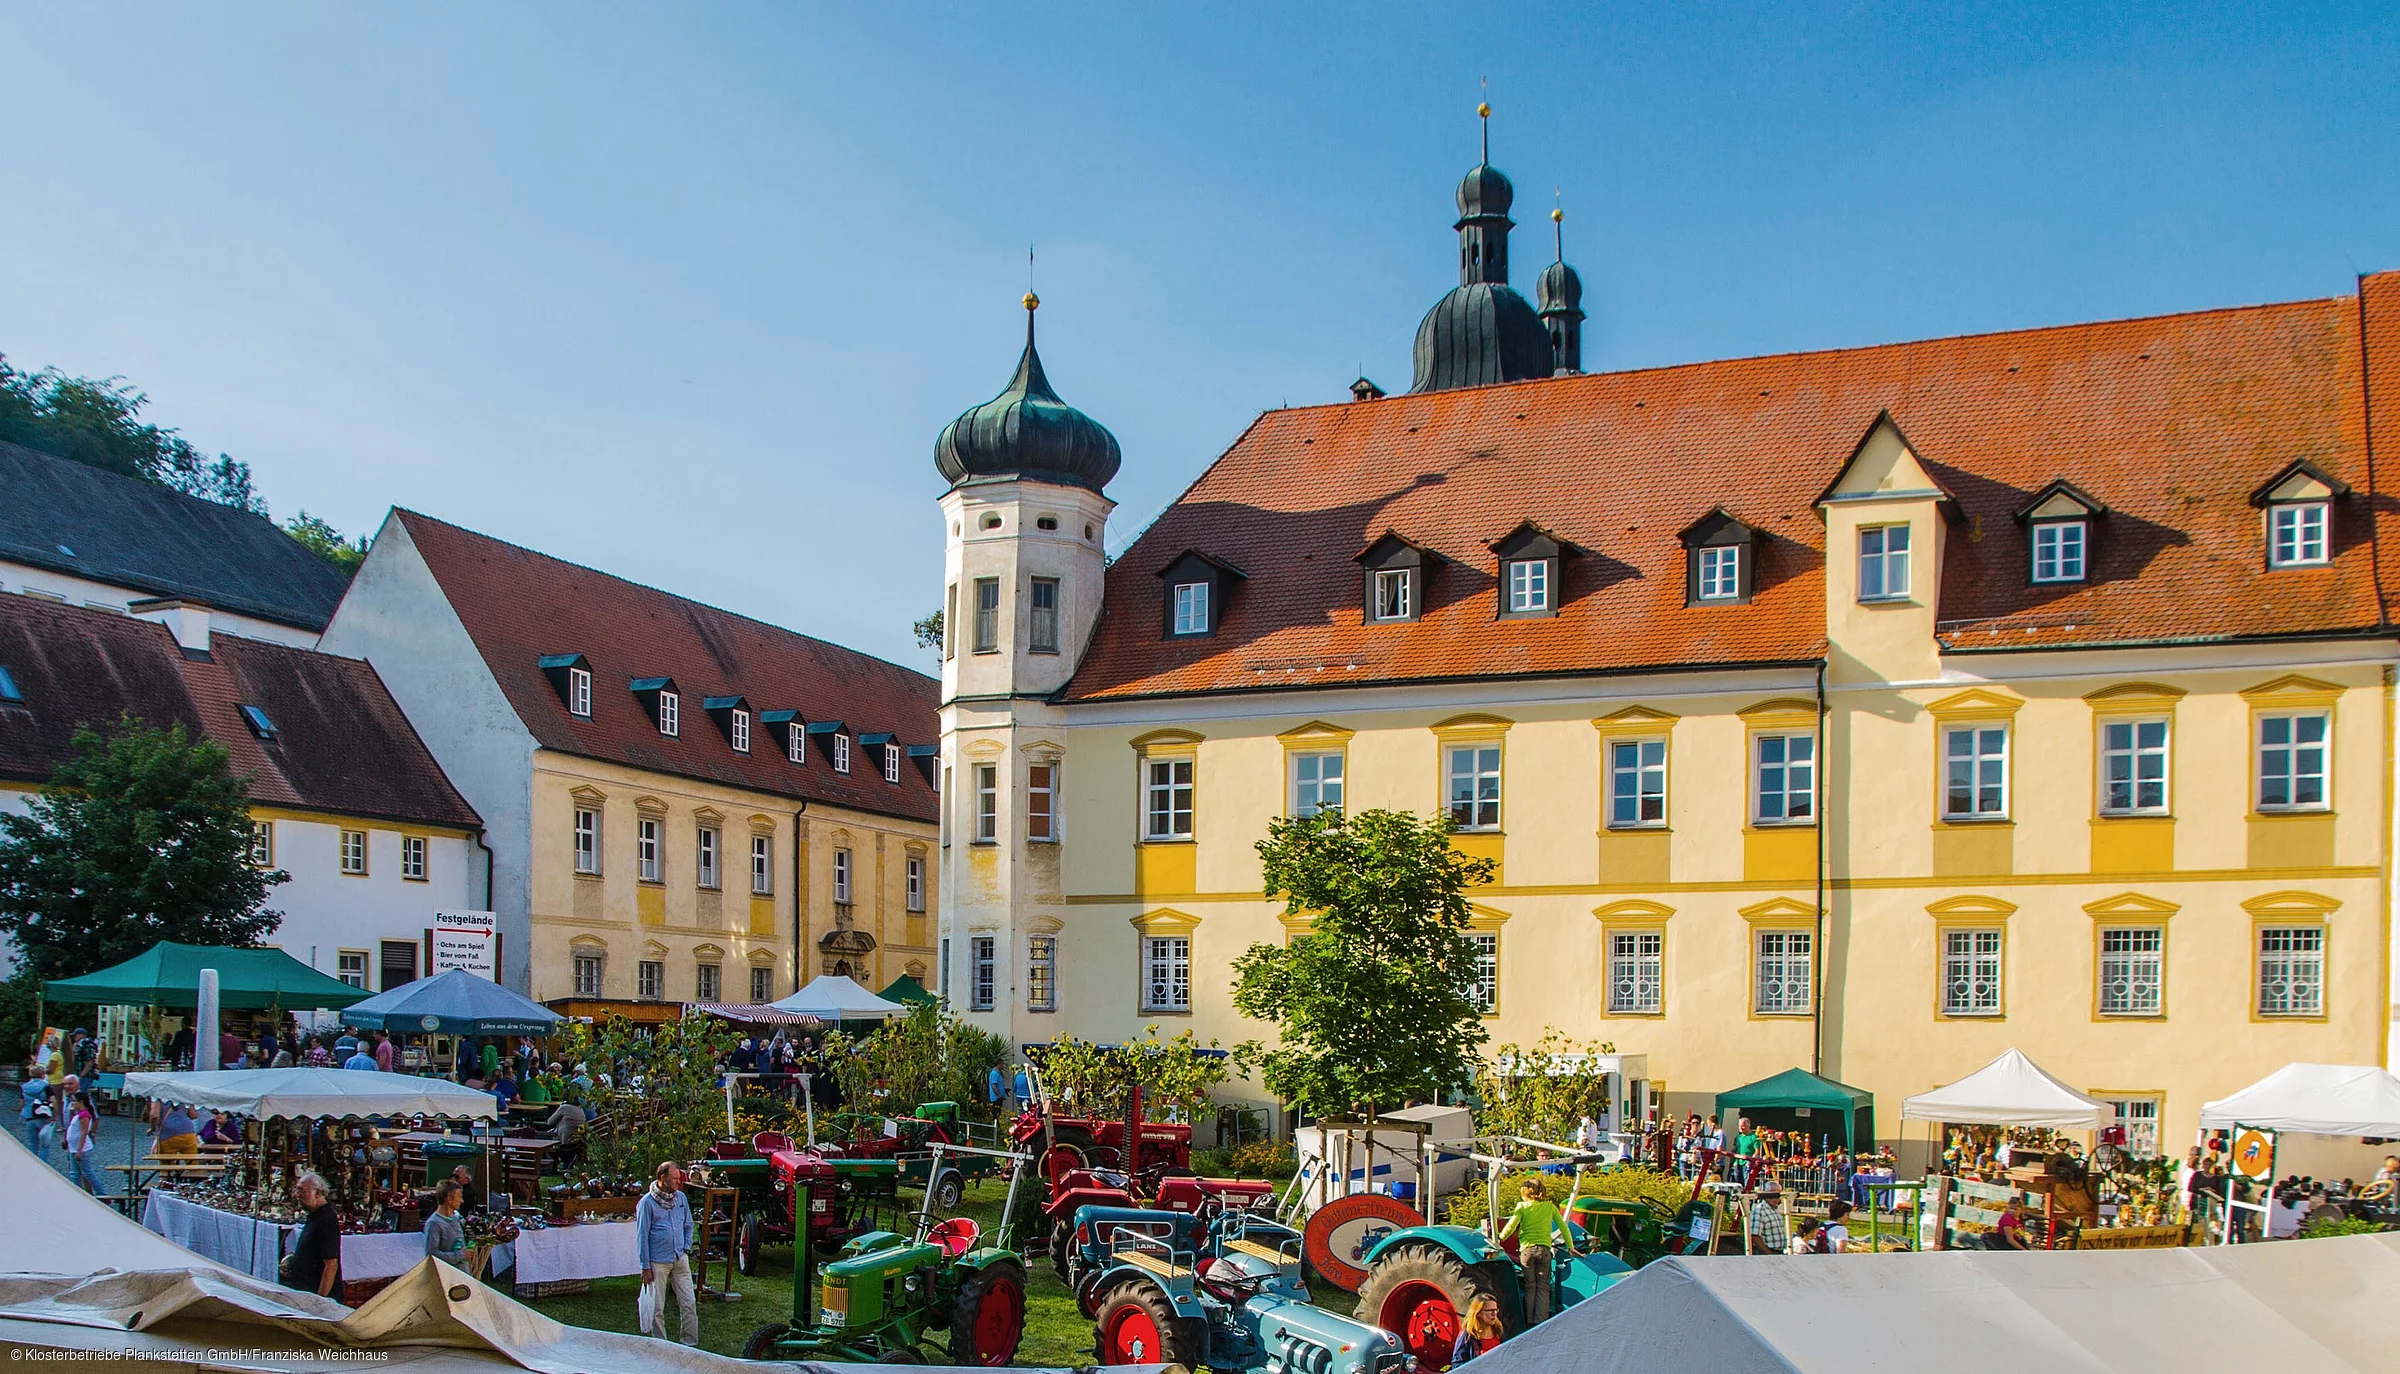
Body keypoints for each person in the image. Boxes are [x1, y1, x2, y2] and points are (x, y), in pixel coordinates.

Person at [636, 1161, 698, 1345]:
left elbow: (688, 1224)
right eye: (675, 1178)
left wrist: (685, 1248)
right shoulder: (647, 1203)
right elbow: (642, 1236)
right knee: (657, 1308)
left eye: (679, 1178)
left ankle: (690, 1344)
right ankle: (661, 1346)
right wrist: (645, 1266)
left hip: (679, 1257)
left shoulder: (681, 1199)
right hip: (658, 1261)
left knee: (689, 1302)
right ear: (662, 1178)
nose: (679, 1182)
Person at [1497, 1177, 1565, 1325]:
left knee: (1530, 1287)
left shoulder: (1522, 1207)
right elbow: (1563, 1226)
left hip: (1527, 1251)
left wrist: (1499, 1238)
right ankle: (1541, 1321)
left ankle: (1529, 1320)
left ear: (1525, 1192)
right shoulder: (1550, 1207)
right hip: (1544, 1250)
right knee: (1543, 1287)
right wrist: (1571, 1247)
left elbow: (1511, 1225)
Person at [285, 1173, 343, 1297]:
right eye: (297, 1190)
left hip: (316, 1296)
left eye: (302, 1191)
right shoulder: (314, 1216)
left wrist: (320, 1299)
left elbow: (331, 1265)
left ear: (317, 1193)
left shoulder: (326, 1220)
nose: (297, 1195)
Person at [1449, 1294, 1505, 1366]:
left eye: (1496, 1310)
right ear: (1478, 1313)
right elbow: (1458, 1364)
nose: (1494, 1314)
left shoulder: (1499, 1331)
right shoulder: (1467, 1336)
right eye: (1490, 1310)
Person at [423, 1180, 468, 1265]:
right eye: (459, 1196)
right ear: (449, 1199)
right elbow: (431, 1255)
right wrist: (460, 1255)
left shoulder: (455, 1219)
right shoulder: (434, 1224)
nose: (462, 1201)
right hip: (445, 1275)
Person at [65, 1090, 102, 1193]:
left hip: (81, 1149)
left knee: (87, 1173)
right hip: (73, 1148)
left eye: (75, 1101)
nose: (73, 1103)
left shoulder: (84, 1115)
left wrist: (79, 1150)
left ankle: (101, 1193)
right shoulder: (78, 1114)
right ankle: (77, 1192)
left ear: (81, 1102)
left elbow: (83, 1133)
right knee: (75, 1173)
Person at [1745, 1180, 1790, 1254]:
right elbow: (1754, 1236)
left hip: (1779, 1252)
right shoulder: (1759, 1211)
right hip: (1766, 1253)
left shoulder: (1776, 1210)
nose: (1774, 1199)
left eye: (1777, 1196)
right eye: (1771, 1196)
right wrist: (1768, 1254)